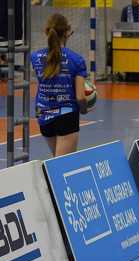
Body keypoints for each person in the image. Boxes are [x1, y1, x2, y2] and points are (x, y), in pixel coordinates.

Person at [31, 13, 87, 157]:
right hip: (66, 114)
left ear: (46, 31)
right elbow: (81, 97)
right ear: (67, 33)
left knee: (56, 160)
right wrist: (85, 109)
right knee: (63, 167)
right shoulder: (76, 60)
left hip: (43, 113)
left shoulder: (35, 57)